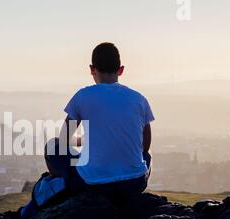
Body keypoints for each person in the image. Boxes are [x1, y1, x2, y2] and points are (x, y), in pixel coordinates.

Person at [45, 42, 154, 195]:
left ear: (92, 69)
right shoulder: (139, 99)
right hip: (134, 184)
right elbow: (145, 145)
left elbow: (64, 139)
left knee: (53, 146)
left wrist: (84, 143)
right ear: (121, 70)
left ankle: (63, 185)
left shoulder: (83, 96)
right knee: (147, 156)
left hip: (93, 185)